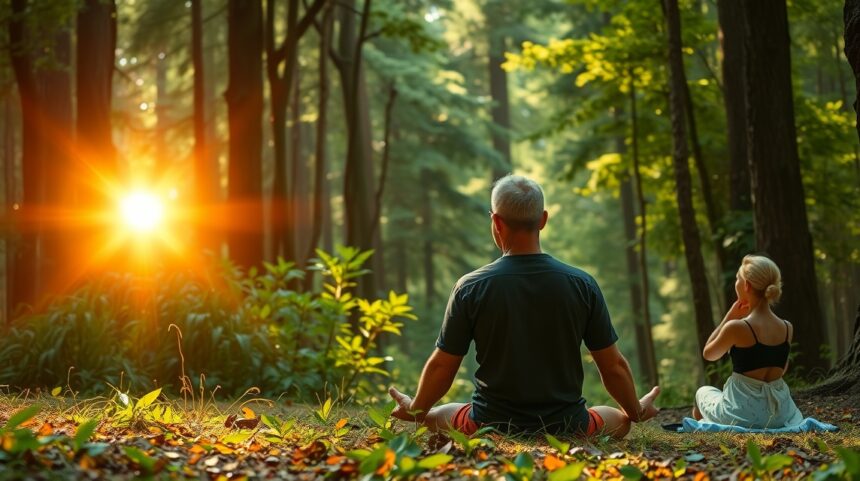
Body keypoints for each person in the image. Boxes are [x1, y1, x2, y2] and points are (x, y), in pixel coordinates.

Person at [388, 174, 660, 438]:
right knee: (620, 421)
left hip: (488, 424)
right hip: (568, 425)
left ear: (496, 222)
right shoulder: (582, 284)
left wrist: (416, 409)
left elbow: (442, 367)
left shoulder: (470, 287)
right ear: (543, 220)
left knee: (435, 416)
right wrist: (634, 411)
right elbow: (612, 365)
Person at [694, 255, 803, 428]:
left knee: (702, 393)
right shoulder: (787, 327)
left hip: (741, 415)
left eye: (738, 279)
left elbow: (709, 354)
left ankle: (703, 432)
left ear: (746, 285)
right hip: (780, 414)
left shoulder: (737, 327)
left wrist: (729, 317)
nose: (736, 283)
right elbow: (781, 371)